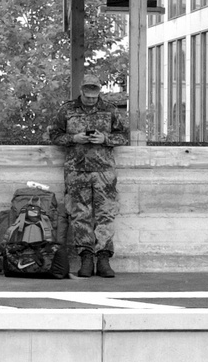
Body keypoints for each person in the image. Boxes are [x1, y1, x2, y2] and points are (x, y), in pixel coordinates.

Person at [47, 77, 128, 278]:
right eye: (87, 96)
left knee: (105, 214)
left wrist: (105, 139)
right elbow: (54, 135)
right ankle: (85, 257)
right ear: (81, 91)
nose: (91, 100)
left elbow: (124, 136)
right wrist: (73, 138)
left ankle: (103, 258)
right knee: (79, 215)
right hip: (76, 170)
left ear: (99, 92)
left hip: (104, 171)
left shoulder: (110, 110)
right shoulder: (67, 110)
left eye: (94, 96)